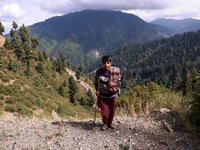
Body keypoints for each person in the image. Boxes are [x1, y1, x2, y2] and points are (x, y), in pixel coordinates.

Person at [95, 55, 121, 131]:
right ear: (102, 63)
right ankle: (105, 123)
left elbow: (119, 82)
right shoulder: (99, 72)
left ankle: (110, 123)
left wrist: (114, 84)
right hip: (102, 95)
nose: (106, 65)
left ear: (110, 63)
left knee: (112, 110)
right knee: (104, 110)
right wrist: (97, 90)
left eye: (108, 63)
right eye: (104, 63)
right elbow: (96, 82)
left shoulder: (115, 71)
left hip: (111, 95)